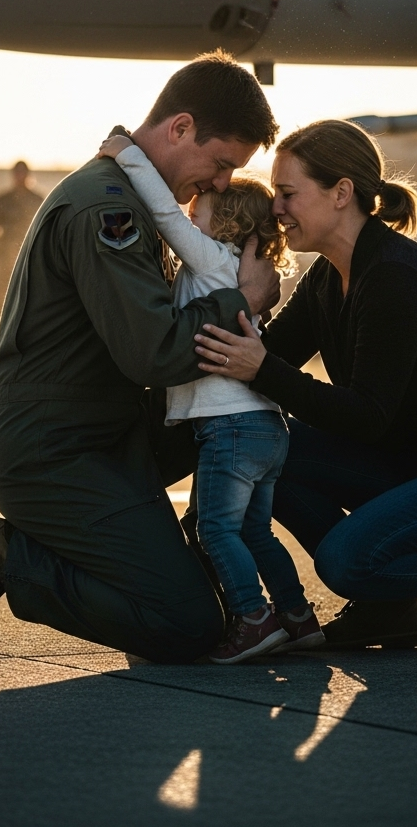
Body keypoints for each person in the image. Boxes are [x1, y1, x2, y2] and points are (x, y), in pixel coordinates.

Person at [0, 51, 281, 663]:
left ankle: (208, 557)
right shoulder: (107, 209)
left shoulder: (136, 196)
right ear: (180, 129)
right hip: (55, 452)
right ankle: (2, 556)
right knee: (186, 624)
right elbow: (155, 351)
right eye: (221, 164)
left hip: (109, 431)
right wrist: (240, 300)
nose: (223, 183)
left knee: (266, 433)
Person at [194, 119, 417, 660]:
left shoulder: (393, 277)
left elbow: (364, 414)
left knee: (345, 562)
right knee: (271, 451)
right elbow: (271, 359)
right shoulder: (326, 276)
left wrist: (262, 366)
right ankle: (389, 606)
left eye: (288, 194)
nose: (276, 210)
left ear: (341, 194)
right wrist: (244, 297)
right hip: (413, 464)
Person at [97, 134, 324, 664]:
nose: (188, 209)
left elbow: (164, 216)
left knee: (214, 529)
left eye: (198, 207)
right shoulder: (236, 270)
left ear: (222, 223)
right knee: (255, 532)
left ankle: (253, 618)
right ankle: (296, 616)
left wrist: (128, 156)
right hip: (267, 426)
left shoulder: (211, 261)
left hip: (229, 426)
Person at [0, 161, 43, 318]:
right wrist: (3, 238)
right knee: (1, 306)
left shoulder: (37, 200)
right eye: (17, 173)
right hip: (5, 260)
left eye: (23, 173)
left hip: (30, 260)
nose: (20, 177)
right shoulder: (3, 200)